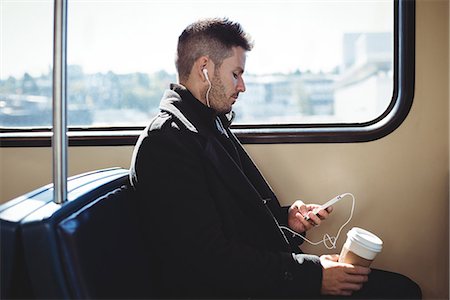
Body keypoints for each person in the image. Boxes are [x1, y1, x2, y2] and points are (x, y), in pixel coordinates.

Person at [130, 18, 421, 299]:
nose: (241, 86)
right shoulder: (167, 143)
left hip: (255, 279)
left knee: (398, 287)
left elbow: (231, 224)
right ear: (204, 67)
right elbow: (207, 260)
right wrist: (314, 276)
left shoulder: (209, 127)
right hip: (231, 290)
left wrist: (286, 220)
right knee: (399, 292)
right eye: (236, 74)